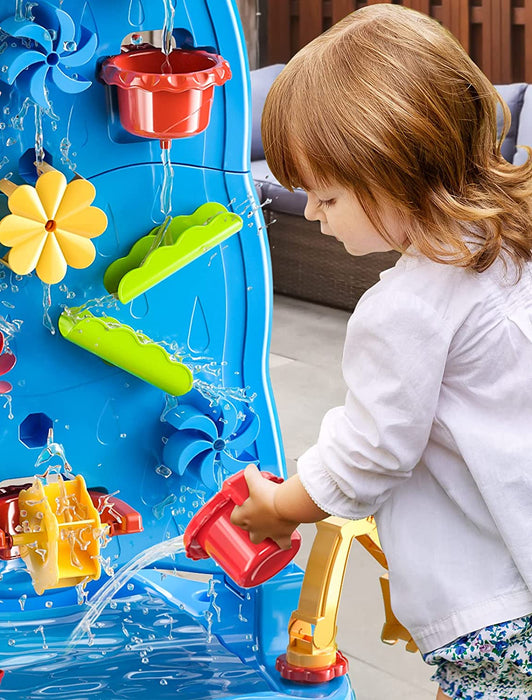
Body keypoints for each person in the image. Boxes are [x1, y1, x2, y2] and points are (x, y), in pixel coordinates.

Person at [229, 5, 532, 700]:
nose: (310, 214)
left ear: (394, 168)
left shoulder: (405, 309)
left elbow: (373, 451)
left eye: (326, 195)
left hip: (489, 603)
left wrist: (285, 507)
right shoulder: (512, 248)